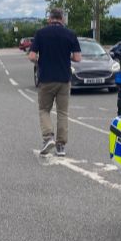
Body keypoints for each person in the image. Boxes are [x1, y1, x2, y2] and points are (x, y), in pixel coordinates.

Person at [28, 8, 81, 156]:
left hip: (46, 78)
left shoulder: (41, 33)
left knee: (44, 109)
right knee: (62, 112)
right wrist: (65, 56)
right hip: (64, 79)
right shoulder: (70, 34)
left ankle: (48, 137)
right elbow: (77, 58)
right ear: (62, 19)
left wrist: (41, 60)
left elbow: (32, 56)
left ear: (50, 18)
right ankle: (61, 146)